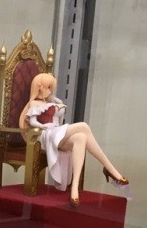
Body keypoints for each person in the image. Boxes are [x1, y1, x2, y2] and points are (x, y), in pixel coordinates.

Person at [20, 73, 130, 206]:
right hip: (45, 135)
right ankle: (110, 169)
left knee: (81, 137)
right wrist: (44, 126)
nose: (50, 91)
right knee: (83, 126)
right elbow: (32, 122)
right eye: (48, 87)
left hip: (56, 133)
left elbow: (59, 120)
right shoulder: (34, 103)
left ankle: (74, 187)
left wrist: (56, 101)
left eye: (51, 88)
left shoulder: (51, 103)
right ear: (40, 87)